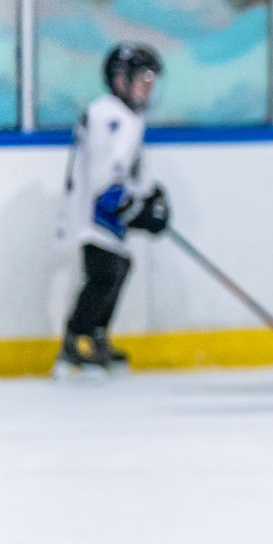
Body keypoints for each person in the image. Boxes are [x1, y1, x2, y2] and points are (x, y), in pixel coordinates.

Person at [55, 44, 171, 378]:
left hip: (107, 214)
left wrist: (148, 196)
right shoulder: (106, 115)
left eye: (152, 81)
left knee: (118, 269)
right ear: (120, 80)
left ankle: (95, 335)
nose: (148, 88)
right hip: (93, 214)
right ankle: (74, 343)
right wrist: (136, 208)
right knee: (104, 274)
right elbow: (102, 177)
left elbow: (127, 172)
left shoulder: (126, 116)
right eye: (143, 79)